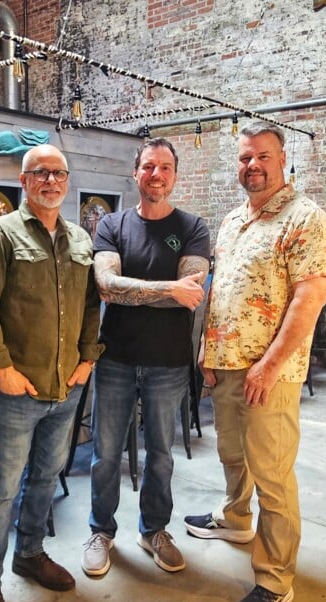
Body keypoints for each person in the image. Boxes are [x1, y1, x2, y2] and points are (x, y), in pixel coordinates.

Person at [185, 122, 326, 602]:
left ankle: (275, 579)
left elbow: (309, 298)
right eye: (245, 158)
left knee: (272, 473)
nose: (253, 165)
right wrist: (208, 351)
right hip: (226, 363)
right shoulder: (233, 221)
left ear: (282, 158)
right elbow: (221, 290)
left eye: (263, 157)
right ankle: (234, 518)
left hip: (269, 372)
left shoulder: (305, 218)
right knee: (232, 451)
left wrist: (269, 365)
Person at [0, 144, 102, 602]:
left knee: (46, 477)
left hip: (65, 385)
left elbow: (90, 304)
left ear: (67, 181)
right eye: (40, 173)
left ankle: (30, 554)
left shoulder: (79, 239)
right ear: (23, 182)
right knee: (1, 489)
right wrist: (0, 368)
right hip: (18, 388)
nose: (51, 180)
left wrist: (89, 357)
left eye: (59, 172)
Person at [82, 138, 211, 577]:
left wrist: (136, 292)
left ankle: (153, 530)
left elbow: (189, 294)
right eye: (149, 166)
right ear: (135, 172)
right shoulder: (111, 226)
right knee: (104, 454)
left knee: (160, 454)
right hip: (115, 357)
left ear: (174, 175)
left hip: (169, 362)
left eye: (165, 168)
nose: (156, 175)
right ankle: (101, 530)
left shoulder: (193, 228)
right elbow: (105, 286)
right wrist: (167, 290)